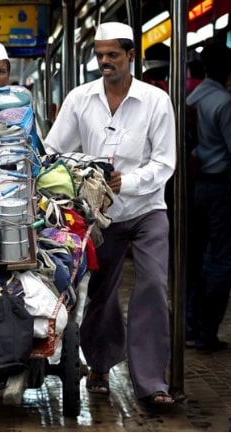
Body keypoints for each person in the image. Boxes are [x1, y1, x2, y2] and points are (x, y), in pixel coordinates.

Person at [42, 22, 177, 405]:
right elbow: (53, 150)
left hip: (148, 209)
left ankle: (152, 383)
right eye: (100, 54)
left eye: (113, 54)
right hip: (100, 214)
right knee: (100, 293)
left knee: (153, 287)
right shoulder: (80, 99)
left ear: (131, 56)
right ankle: (100, 364)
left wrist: (126, 182)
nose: (105, 61)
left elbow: (165, 162)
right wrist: (79, 172)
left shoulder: (155, 101)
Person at [185, 40, 231, 352]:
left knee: (195, 256)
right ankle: (206, 332)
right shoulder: (224, 102)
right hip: (219, 187)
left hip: (196, 186)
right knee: (220, 259)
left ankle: (190, 325)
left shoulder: (193, 97)